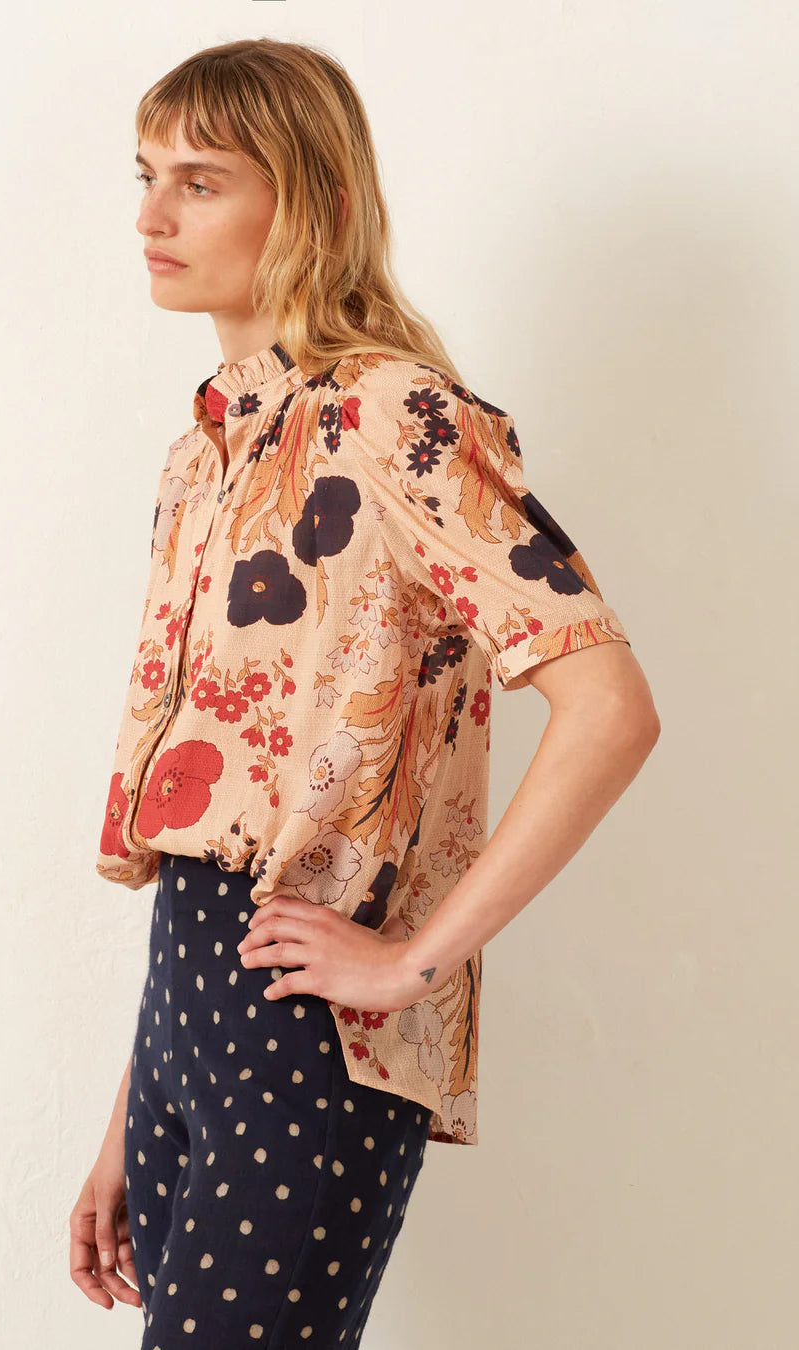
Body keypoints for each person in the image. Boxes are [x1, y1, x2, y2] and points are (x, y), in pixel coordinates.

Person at [70, 37, 660, 1348]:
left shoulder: (399, 419)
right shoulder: (204, 449)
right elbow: (212, 827)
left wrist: (411, 961)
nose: (152, 215)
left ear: (313, 201)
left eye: (201, 182)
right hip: (185, 1007)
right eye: (146, 174)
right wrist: (131, 1115)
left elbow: (611, 707)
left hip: (313, 1034)